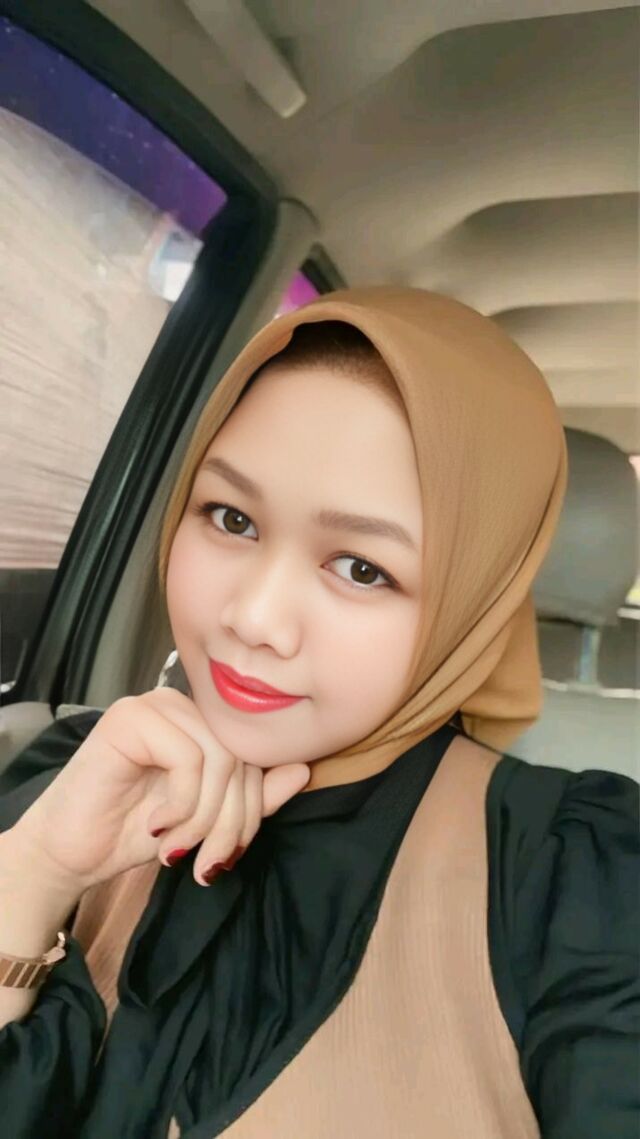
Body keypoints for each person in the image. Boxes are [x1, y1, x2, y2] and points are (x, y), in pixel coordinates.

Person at [0, 287, 637, 1139]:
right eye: (230, 517)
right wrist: (36, 870)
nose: (253, 618)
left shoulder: (575, 881)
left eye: (362, 568)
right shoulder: (76, 773)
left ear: (469, 600)